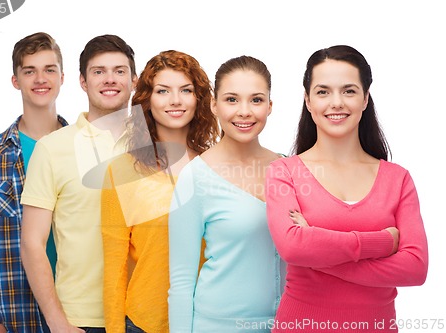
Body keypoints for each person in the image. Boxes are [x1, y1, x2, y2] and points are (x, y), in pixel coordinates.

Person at [266, 45, 428, 333]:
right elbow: (292, 247)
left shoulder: (398, 179)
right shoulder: (284, 172)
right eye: (323, 91)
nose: (336, 102)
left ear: (365, 99)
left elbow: (415, 268)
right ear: (307, 100)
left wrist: (319, 255)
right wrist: (382, 242)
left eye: (349, 91)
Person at [20, 34, 137, 333]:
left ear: (134, 80)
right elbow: (32, 243)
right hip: (82, 320)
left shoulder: (154, 145)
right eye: (99, 72)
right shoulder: (52, 148)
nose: (110, 79)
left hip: (147, 314)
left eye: (119, 71)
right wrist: (57, 322)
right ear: (83, 82)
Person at [101, 50, 219, 333]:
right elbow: (114, 268)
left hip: (211, 320)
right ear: (147, 100)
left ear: (199, 100)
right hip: (145, 322)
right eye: (163, 91)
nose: (175, 100)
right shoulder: (120, 171)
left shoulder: (218, 166)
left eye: (186, 90)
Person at [169, 55, 282, 332]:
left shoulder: (288, 169)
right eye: (232, 99)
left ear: (270, 106)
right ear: (214, 105)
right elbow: (182, 281)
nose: (244, 111)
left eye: (256, 100)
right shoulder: (194, 177)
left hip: (285, 323)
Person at [0, 32, 67, 333]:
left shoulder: (83, 148)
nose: (40, 79)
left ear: (63, 77)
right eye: (29, 71)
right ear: (16, 81)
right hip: (17, 314)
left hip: (77, 310)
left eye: (49, 69)